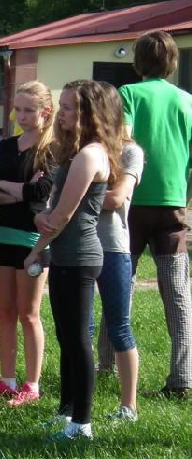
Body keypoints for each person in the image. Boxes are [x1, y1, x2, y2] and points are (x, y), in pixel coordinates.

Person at [25, 79, 122, 441]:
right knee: (67, 336)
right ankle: (66, 412)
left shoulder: (89, 155)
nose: (60, 113)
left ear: (87, 113)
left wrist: (36, 248)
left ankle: (82, 423)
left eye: (67, 107)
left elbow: (62, 215)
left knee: (78, 338)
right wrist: (43, 219)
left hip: (80, 256)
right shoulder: (76, 152)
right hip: (67, 255)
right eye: (62, 105)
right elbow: (54, 210)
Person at [119, 31, 192, 399]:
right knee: (178, 293)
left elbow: (124, 140)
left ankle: (107, 365)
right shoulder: (187, 101)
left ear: (138, 60)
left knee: (120, 286)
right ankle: (182, 378)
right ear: (173, 62)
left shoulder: (129, 94)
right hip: (173, 205)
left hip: (131, 204)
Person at [0, 81, 56, 406]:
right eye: (19, 109)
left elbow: (40, 193)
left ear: (45, 112)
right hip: (1, 235)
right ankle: (7, 380)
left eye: (29, 110)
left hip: (32, 241)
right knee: (5, 311)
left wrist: (12, 191)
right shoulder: (5, 146)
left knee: (29, 314)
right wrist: (19, 189)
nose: (22, 115)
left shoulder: (52, 149)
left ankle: (32, 383)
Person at [93, 82, 143, 423]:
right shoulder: (82, 150)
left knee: (119, 326)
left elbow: (116, 198)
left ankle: (129, 406)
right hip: (79, 247)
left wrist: (76, 196)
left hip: (113, 247)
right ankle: (73, 405)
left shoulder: (130, 152)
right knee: (79, 328)